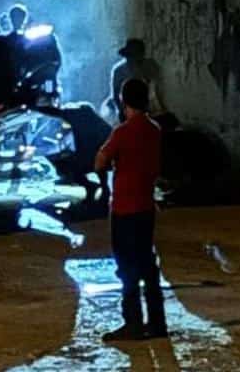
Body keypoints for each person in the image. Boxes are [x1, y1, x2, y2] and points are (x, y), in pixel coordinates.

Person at [95, 78, 167, 342]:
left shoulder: (122, 132)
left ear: (123, 101)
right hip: (146, 205)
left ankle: (133, 323)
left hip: (124, 207)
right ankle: (158, 324)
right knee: (148, 264)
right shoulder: (154, 129)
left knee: (126, 267)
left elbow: (100, 160)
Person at [37, 102, 111, 205]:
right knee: (94, 167)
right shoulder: (81, 117)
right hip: (93, 153)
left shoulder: (76, 116)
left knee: (89, 166)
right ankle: (95, 188)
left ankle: (96, 188)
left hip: (94, 153)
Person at [110, 38, 164, 121]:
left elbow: (159, 88)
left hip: (151, 111)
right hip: (128, 112)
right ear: (127, 56)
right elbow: (115, 94)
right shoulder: (119, 71)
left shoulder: (150, 66)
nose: (135, 58)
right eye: (132, 55)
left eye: (138, 54)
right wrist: (123, 111)